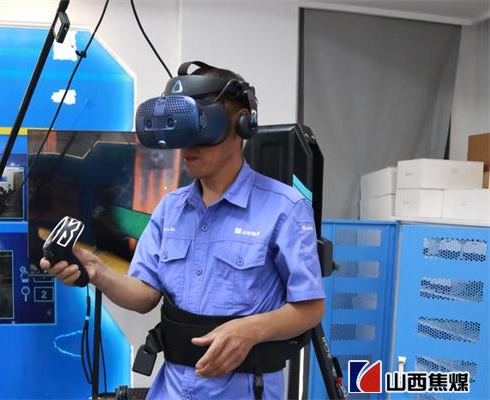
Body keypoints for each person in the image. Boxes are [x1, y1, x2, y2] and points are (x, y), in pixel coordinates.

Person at [40, 64, 325, 399]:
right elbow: (145, 294)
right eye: (182, 130)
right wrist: (97, 272)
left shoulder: (284, 208)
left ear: (242, 123)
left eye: (202, 128)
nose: (188, 145)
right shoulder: (171, 208)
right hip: (172, 390)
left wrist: (251, 330)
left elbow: (310, 307)